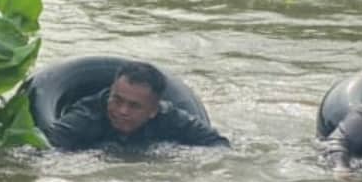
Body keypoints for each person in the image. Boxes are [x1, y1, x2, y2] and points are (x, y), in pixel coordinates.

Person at [45, 61, 230, 150]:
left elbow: (218, 145)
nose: (122, 111)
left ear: (153, 110)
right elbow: (46, 146)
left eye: (134, 106)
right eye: (117, 100)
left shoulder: (170, 118)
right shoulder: (87, 115)